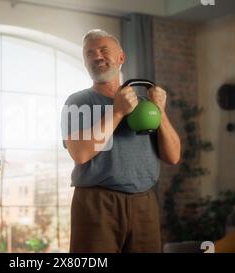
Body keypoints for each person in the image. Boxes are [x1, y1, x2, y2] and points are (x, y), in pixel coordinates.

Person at [61, 29, 181, 253]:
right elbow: (80, 154)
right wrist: (117, 112)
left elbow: (173, 156)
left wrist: (161, 112)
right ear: (86, 63)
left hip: (144, 202)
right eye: (90, 54)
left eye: (104, 50)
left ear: (121, 58)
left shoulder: (146, 104)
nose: (97, 56)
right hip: (96, 203)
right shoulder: (78, 101)